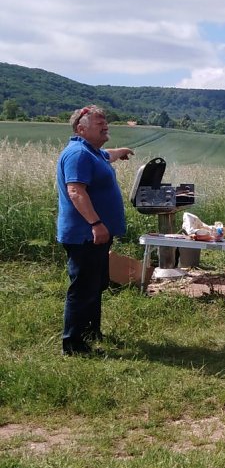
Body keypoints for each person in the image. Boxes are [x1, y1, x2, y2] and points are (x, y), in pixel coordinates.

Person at [56, 106, 133, 355]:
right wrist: (96, 224)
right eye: (99, 122)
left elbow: (106, 156)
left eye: (106, 121)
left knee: (96, 283)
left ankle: (90, 331)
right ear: (81, 128)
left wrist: (120, 152)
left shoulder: (93, 152)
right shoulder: (78, 154)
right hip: (84, 234)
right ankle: (73, 344)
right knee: (83, 288)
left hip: (96, 235)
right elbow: (76, 191)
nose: (105, 125)